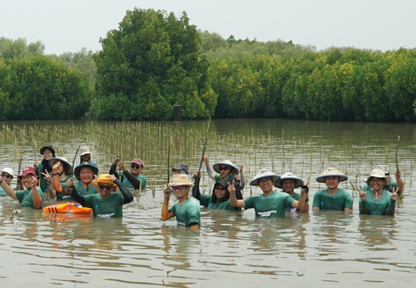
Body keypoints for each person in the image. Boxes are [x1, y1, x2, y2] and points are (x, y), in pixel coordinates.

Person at [230, 168, 308, 218]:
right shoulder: (255, 199)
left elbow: (298, 205)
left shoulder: (283, 197)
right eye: (262, 181)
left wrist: (303, 195)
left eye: (267, 180)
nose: (265, 183)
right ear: (258, 184)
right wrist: (232, 193)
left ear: (272, 182)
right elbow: (235, 203)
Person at [69, 174, 133, 218]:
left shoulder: (118, 197)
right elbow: (79, 199)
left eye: (107, 187)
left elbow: (129, 198)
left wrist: (117, 182)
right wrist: (72, 188)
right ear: (98, 186)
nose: (104, 189)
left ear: (111, 188)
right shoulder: (93, 198)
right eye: (102, 186)